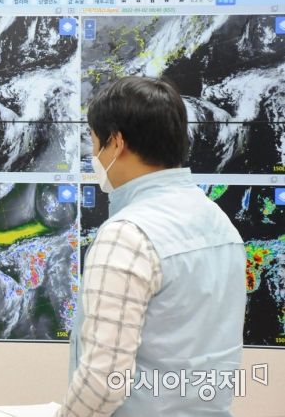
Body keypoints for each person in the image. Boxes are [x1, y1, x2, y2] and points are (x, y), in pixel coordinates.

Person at [58, 77, 245, 416]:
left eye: (94, 141)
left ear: (116, 143)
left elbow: (103, 382)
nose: (92, 154)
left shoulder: (127, 235)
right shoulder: (221, 226)